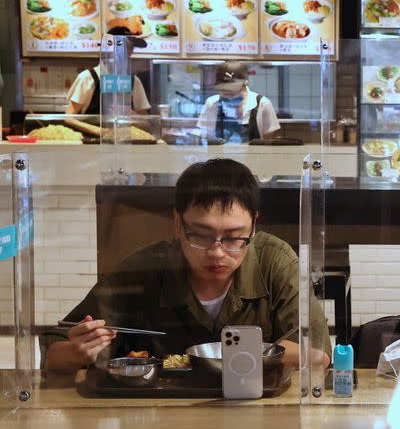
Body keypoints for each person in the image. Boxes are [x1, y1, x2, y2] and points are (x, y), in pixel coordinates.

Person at [40, 158, 331, 373]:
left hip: (256, 408)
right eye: (201, 236)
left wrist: (225, 353)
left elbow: (317, 353)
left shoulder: (274, 261)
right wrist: (78, 351)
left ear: (254, 225)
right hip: (158, 417)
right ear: (178, 224)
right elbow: (54, 351)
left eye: (233, 237)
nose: (217, 252)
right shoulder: (148, 267)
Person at [197, 61, 280, 144]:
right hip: (218, 156)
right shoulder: (211, 104)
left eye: (233, 88)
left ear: (245, 83)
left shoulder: (262, 103)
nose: (228, 92)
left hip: (253, 156)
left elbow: (268, 141)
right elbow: (203, 138)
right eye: (223, 88)